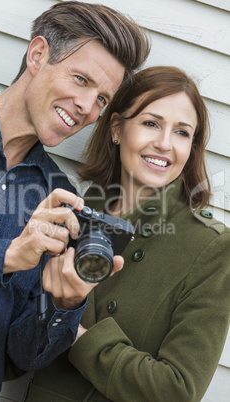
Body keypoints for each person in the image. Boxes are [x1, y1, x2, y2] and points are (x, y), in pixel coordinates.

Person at [0, 1, 150, 400]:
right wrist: (7, 256)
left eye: (102, 99)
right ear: (38, 55)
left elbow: (23, 355)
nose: (87, 107)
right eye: (81, 79)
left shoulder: (61, 200)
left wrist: (65, 303)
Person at [24, 66, 230, 402]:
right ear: (117, 128)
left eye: (181, 133)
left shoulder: (211, 246)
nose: (164, 144)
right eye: (151, 123)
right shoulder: (67, 211)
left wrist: (75, 332)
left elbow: (177, 391)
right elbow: (13, 355)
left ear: (192, 147)